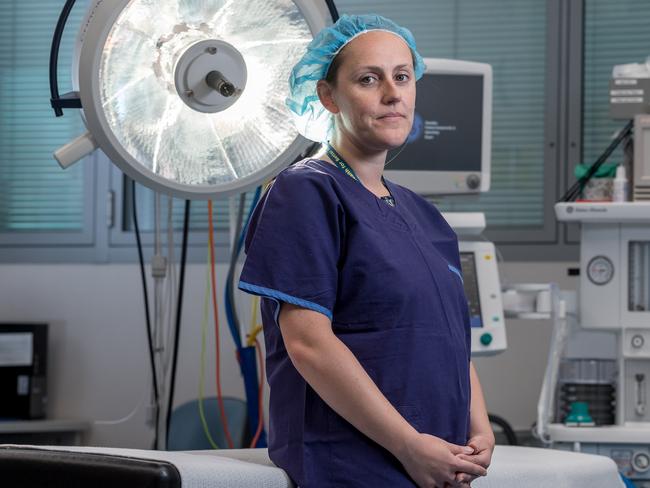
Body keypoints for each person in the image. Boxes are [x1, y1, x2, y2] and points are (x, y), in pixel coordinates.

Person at [238, 14, 495, 487]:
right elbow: (308, 343)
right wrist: (407, 445)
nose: (393, 93)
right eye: (368, 79)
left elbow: (452, 342)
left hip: (440, 462)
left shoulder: (425, 215)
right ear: (328, 96)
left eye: (402, 76)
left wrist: (479, 428)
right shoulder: (307, 191)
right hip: (351, 462)